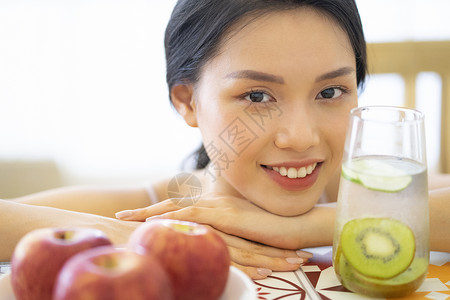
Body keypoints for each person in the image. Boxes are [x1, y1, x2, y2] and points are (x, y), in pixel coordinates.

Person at [1, 0, 449, 280]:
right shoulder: (165, 208)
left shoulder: (359, 193)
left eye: (330, 92)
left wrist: (306, 225)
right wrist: (133, 234)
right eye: (257, 96)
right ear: (188, 102)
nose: (300, 136)